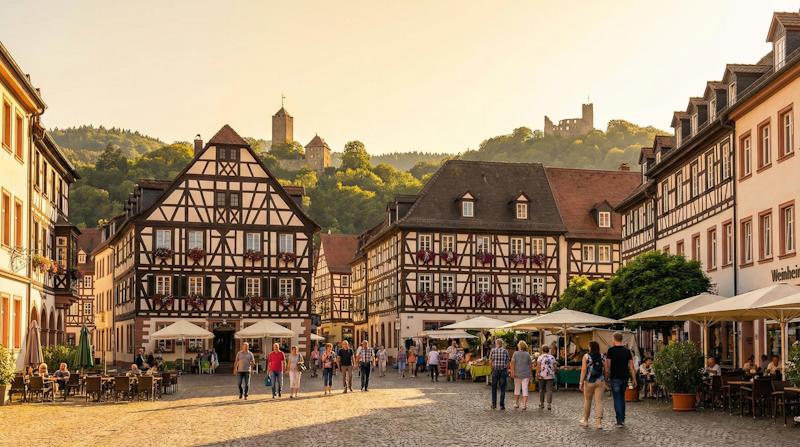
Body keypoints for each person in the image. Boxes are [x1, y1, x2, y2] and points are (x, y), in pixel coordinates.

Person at [605, 333, 637, 428]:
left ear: (614, 339)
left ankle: (619, 420)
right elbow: (631, 367)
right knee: (622, 398)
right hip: (624, 378)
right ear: (621, 339)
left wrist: (606, 378)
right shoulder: (627, 351)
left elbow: (608, 366)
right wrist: (634, 379)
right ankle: (622, 418)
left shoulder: (610, 351)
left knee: (617, 399)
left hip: (615, 377)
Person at [580, 341, 606, 429]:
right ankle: (599, 423)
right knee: (599, 402)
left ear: (590, 347)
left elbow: (583, 370)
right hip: (600, 380)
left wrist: (580, 382)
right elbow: (606, 369)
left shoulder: (586, 356)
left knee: (588, 401)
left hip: (589, 381)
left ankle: (586, 421)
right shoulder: (602, 356)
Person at [510, 340, 532, 410]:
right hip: (526, 373)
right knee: (525, 389)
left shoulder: (515, 353)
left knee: (517, 388)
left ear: (519, 346)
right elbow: (530, 365)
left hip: (517, 373)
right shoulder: (527, 354)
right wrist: (530, 374)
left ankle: (516, 403)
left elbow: (512, 363)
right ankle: (524, 405)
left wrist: (512, 372)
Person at [489, 339, 510, 410]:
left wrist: (492, 369)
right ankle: (502, 404)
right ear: (502, 344)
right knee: (502, 388)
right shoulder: (505, 351)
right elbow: (508, 362)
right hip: (503, 370)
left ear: (496, 343)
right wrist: (506, 369)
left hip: (495, 370)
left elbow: (490, 361)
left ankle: (494, 404)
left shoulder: (493, 350)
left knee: (494, 388)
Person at [536, 344, 557, 410]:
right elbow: (555, 367)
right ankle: (549, 404)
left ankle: (542, 404)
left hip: (542, 376)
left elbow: (538, 367)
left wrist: (537, 374)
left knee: (542, 389)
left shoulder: (540, 357)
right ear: (548, 350)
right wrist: (553, 372)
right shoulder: (552, 357)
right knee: (549, 390)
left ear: (542, 350)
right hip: (550, 375)